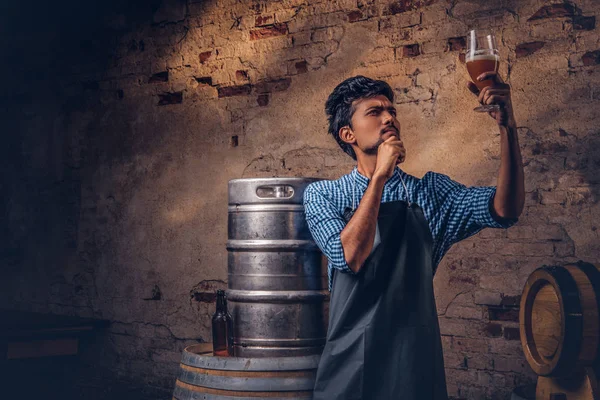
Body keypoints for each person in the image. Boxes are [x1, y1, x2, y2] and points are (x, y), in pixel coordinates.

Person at [302, 74, 525, 400]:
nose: (389, 117)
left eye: (391, 111)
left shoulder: (430, 192)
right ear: (347, 134)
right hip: (351, 366)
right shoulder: (324, 195)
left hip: (413, 367)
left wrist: (508, 127)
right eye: (374, 112)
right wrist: (379, 176)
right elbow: (348, 256)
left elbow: (505, 209)